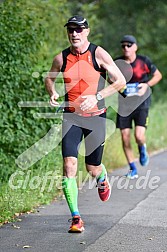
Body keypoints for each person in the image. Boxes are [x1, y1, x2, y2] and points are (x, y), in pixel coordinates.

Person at [45, 15, 126, 233]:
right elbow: (49, 78)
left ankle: (102, 176)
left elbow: (120, 81)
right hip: (71, 117)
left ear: (87, 31)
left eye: (79, 30)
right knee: (69, 166)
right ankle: (76, 218)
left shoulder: (98, 53)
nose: (74, 34)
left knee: (92, 168)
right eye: (71, 30)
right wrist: (52, 92)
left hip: (96, 118)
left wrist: (98, 96)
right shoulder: (61, 58)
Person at [115, 35, 162, 179]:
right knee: (125, 137)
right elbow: (109, 77)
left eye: (129, 45)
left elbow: (158, 75)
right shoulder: (118, 63)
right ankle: (132, 168)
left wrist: (146, 85)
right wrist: (118, 86)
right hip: (124, 105)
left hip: (142, 103)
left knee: (139, 136)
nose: (126, 48)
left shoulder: (143, 61)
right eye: (123, 45)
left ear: (135, 46)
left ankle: (142, 148)